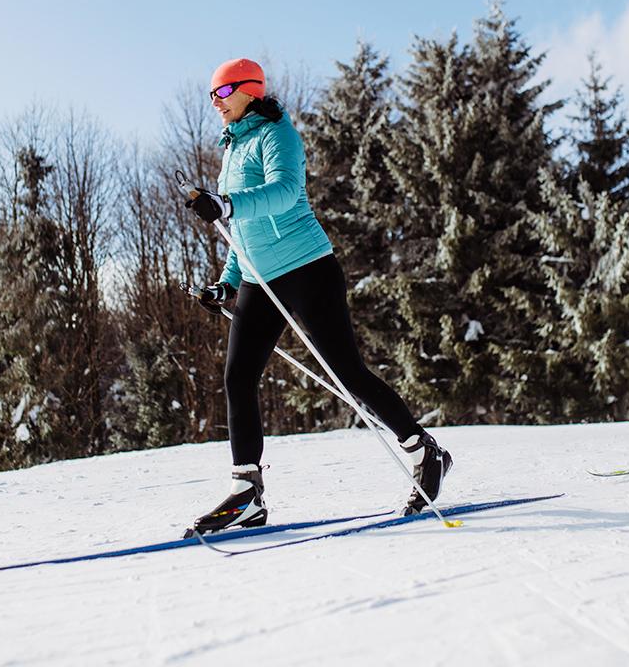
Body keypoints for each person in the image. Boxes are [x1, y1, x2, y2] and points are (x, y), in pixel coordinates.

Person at [182, 57, 452, 534]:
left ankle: (421, 449)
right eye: (212, 96)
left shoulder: (276, 133)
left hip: (307, 267)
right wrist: (225, 283)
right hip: (258, 280)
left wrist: (225, 202)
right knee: (238, 377)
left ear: (249, 91)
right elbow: (238, 231)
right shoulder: (232, 147)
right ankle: (248, 493)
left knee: (347, 372)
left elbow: (284, 192)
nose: (215, 104)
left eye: (221, 94)